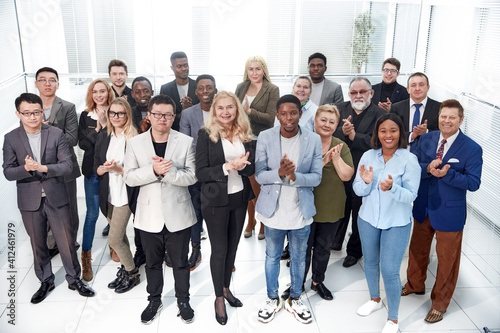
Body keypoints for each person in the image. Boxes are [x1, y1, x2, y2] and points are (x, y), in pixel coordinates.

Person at [3, 93, 95, 304]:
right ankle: (46, 280)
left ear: (42, 111)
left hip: (56, 195)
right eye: (26, 113)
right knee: (38, 244)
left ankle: (74, 279)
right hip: (29, 200)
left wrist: (44, 168)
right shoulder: (11, 138)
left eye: (36, 112)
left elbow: (67, 165)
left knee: (67, 241)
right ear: (18, 114)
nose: (32, 117)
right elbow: (8, 172)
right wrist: (25, 169)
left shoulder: (56, 134)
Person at [402, 99, 483, 324]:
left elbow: (473, 182)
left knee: (448, 260)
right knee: (417, 249)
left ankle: (439, 303)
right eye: (443, 116)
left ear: (461, 119)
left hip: (449, 213)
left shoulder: (472, 148)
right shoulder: (425, 139)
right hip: (422, 207)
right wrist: (427, 168)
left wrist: (446, 174)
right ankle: (414, 284)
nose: (446, 121)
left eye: (452, 117)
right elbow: (412, 166)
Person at [124, 94, 197, 325]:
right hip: (148, 216)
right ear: (149, 115)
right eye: (157, 114)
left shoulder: (185, 141)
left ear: (173, 117)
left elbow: (192, 175)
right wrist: (153, 171)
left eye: (167, 115)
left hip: (179, 214)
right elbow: (129, 177)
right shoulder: (135, 143)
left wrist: (169, 173)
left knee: (181, 263)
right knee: (153, 264)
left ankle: (183, 301)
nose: (162, 119)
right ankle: (154, 300)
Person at [255, 95, 322, 324]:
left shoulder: (313, 139)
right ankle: (272, 298)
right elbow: (260, 174)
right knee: (272, 256)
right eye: (283, 113)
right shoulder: (265, 137)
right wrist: (280, 174)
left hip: (300, 210)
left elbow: (316, 178)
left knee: (299, 256)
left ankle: (295, 298)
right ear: (277, 115)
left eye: (293, 112)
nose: (288, 118)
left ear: (300, 114)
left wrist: (295, 176)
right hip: (273, 210)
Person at [353, 113, 421, 333]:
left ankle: (393, 319)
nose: (388, 135)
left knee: (391, 271)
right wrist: (366, 183)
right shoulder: (368, 156)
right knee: (371, 262)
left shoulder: (409, 159)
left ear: (400, 133)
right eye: (383, 130)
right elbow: (358, 189)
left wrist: (392, 188)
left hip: (397, 222)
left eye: (393, 130)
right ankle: (375, 300)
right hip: (368, 218)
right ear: (377, 133)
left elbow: (411, 195)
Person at [195, 91, 255, 325]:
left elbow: (252, 169)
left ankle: (226, 288)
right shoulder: (205, 135)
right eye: (220, 108)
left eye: (230, 107)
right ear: (214, 111)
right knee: (219, 250)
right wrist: (227, 166)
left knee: (233, 248)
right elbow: (200, 173)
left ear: (237, 110)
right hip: (215, 201)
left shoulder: (246, 134)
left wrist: (242, 167)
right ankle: (218, 298)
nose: (225, 112)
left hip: (239, 198)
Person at [332, 78, 386, 267]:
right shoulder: (339, 109)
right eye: (354, 92)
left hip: (364, 172)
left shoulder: (381, 114)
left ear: (371, 93)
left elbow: (381, 141)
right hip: (338, 169)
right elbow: (327, 132)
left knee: (359, 211)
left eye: (363, 92)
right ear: (349, 94)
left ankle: (354, 251)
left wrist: (355, 136)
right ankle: (335, 241)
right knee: (339, 207)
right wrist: (343, 132)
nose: (358, 96)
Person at [303, 105, 354, 300]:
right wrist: (324, 160)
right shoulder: (303, 141)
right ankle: (298, 282)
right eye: (323, 120)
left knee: (323, 248)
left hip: (331, 207)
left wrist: (337, 157)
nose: (327, 124)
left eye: (332, 122)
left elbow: (346, 175)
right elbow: (298, 174)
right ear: (315, 121)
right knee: (302, 249)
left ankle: (317, 282)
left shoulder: (341, 145)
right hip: (305, 207)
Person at [94, 98, 140, 293]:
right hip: (109, 194)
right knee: (120, 237)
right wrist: (103, 169)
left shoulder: (134, 138)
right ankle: (125, 268)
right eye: (112, 113)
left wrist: (116, 168)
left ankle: (133, 274)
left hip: (125, 195)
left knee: (113, 240)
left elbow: (138, 170)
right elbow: (95, 167)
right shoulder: (104, 137)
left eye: (120, 113)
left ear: (127, 114)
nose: (116, 117)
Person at [34, 67, 81, 258]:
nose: (47, 83)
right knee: (44, 208)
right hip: (38, 169)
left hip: (64, 168)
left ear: (58, 84)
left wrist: (48, 131)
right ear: (36, 84)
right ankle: (51, 245)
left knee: (69, 208)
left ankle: (70, 242)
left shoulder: (68, 107)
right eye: (42, 80)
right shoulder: (29, 109)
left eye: (51, 80)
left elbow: (72, 139)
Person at [235, 55, 280, 240]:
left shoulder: (272, 89)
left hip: (260, 141)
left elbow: (270, 118)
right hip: (241, 140)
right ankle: (250, 220)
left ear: (264, 70)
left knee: (258, 184)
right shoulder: (241, 87)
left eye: (258, 69)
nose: (254, 73)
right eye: (251, 69)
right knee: (246, 184)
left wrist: (250, 112)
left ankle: (262, 223)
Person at [78, 78, 116, 280]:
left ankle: (115, 245)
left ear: (108, 93)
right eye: (95, 92)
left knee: (112, 212)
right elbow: (84, 144)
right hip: (92, 172)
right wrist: (99, 127)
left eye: (102, 91)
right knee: (92, 214)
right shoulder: (85, 116)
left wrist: (108, 120)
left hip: (113, 172)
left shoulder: (117, 112)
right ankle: (86, 257)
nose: (99, 95)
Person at [180, 74, 218, 271]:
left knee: (217, 214)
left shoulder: (222, 112)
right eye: (201, 88)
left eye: (209, 88)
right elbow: (186, 145)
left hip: (218, 172)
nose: (205, 91)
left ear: (215, 90)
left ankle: (221, 253)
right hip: (196, 170)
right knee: (195, 211)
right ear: (195, 92)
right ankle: (196, 249)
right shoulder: (187, 115)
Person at [129, 76, 154, 268]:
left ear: (152, 92)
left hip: (159, 170)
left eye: (145, 91)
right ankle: (141, 251)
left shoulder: (160, 111)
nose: (142, 95)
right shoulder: (129, 114)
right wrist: (142, 131)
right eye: (137, 92)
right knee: (139, 215)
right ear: (132, 95)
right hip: (138, 172)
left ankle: (163, 251)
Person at [390, 72, 441, 151]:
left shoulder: (439, 108)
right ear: (408, 89)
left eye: (421, 85)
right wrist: (411, 135)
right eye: (413, 85)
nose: (417, 88)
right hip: (401, 154)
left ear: (428, 87)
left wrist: (427, 132)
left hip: (428, 156)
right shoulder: (396, 108)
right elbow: (391, 132)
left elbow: (444, 133)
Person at [160, 52, 199, 131]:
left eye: (185, 65)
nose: (184, 69)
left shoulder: (199, 86)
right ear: (172, 68)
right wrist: (181, 114)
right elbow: (163, 114)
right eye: (179, 66)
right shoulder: (165, 89)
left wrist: (191, 109)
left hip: (196, 131)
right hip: (173, 132)